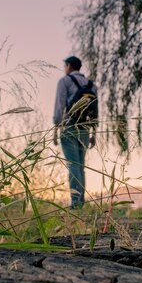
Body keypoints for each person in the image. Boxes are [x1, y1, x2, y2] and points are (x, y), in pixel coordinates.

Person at [53, 55, 98, 209]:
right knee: (80, 166)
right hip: (85, 130)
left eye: (65, 66)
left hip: (69, 127)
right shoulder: (92, 86)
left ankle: (76, 203)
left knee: (72, 164)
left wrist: (55, 129)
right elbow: (95, 112)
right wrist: (94, 134)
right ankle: (81, 203)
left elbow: (59, 107)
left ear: (69, 66)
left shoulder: (64, 81)